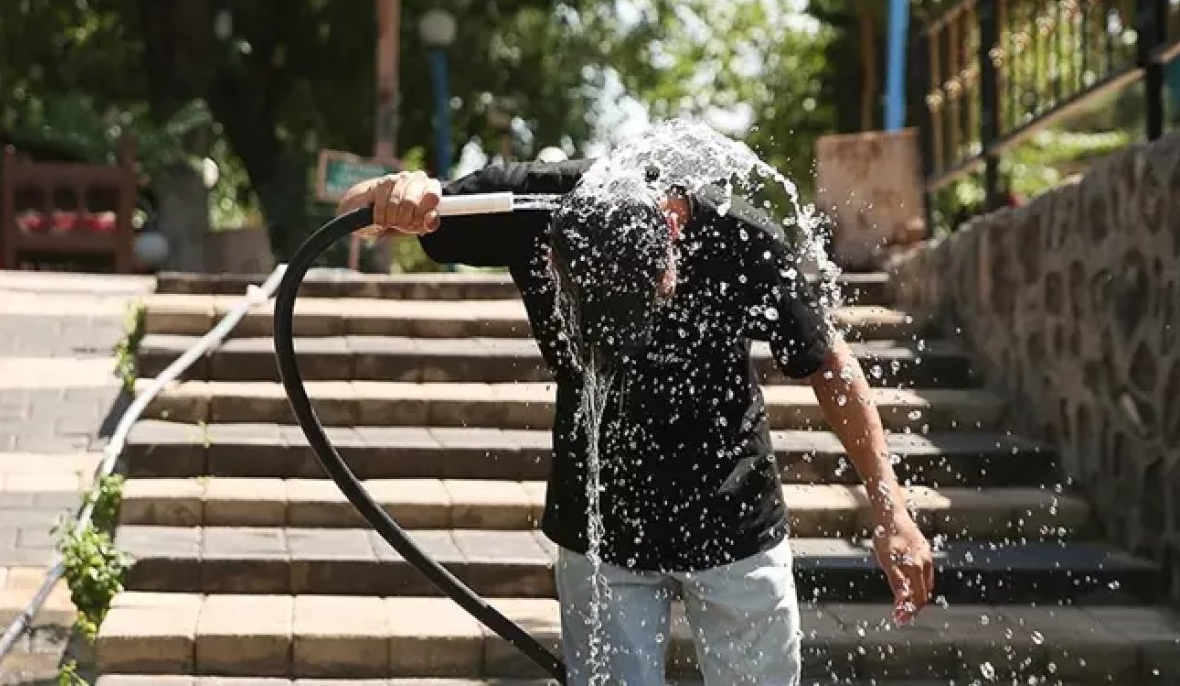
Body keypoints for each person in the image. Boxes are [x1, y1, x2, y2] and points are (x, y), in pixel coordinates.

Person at [339, 160, 935, 686]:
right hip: (600, 529)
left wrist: (892, 511)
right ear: (552, 254)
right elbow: (354, 212)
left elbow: (829, 364)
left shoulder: (742, 237)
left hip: (733, 522)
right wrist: (393, 195)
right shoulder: (527, 205)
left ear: (673, 236)